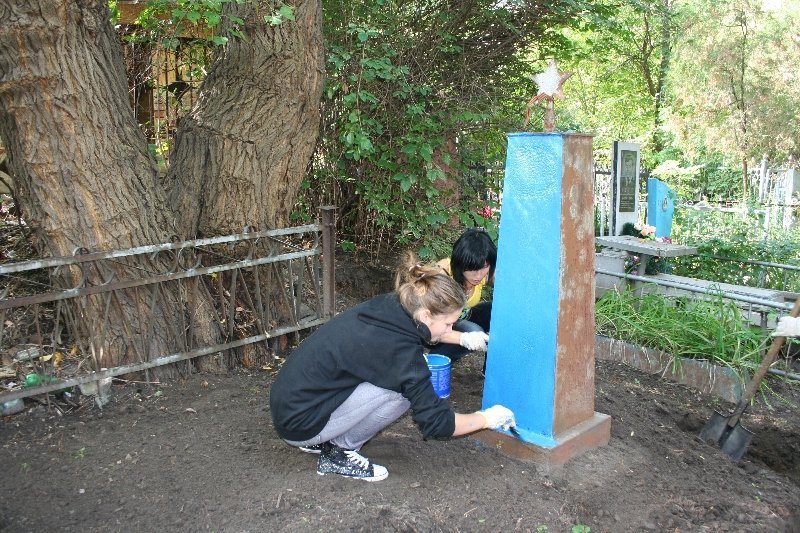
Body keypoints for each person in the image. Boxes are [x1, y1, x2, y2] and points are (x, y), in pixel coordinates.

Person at [269, 252, 516, 482]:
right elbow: (437, 423)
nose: (450, 330)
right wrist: (486, 418)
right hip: (300, 423)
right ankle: (339, 451)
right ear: (426, 316)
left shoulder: (394, 305)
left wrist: (463, 338)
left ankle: (323, 437)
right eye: (449, 324)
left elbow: (428, 332)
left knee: (401, 380)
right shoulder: (401, 353)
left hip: (292, 404)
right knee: (402, 391)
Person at [433, 228, 497, 363]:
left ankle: (491, 370)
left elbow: (507, 286)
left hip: (463, 317)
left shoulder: (486, 272)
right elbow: (427, 324)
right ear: (460, 263)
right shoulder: (441, 275)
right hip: (435, 327)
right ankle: (435, 363)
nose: (479, 275)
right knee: (473, 331)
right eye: (473, 269)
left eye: (484, 267)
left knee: (496, 309)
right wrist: (464, 338)